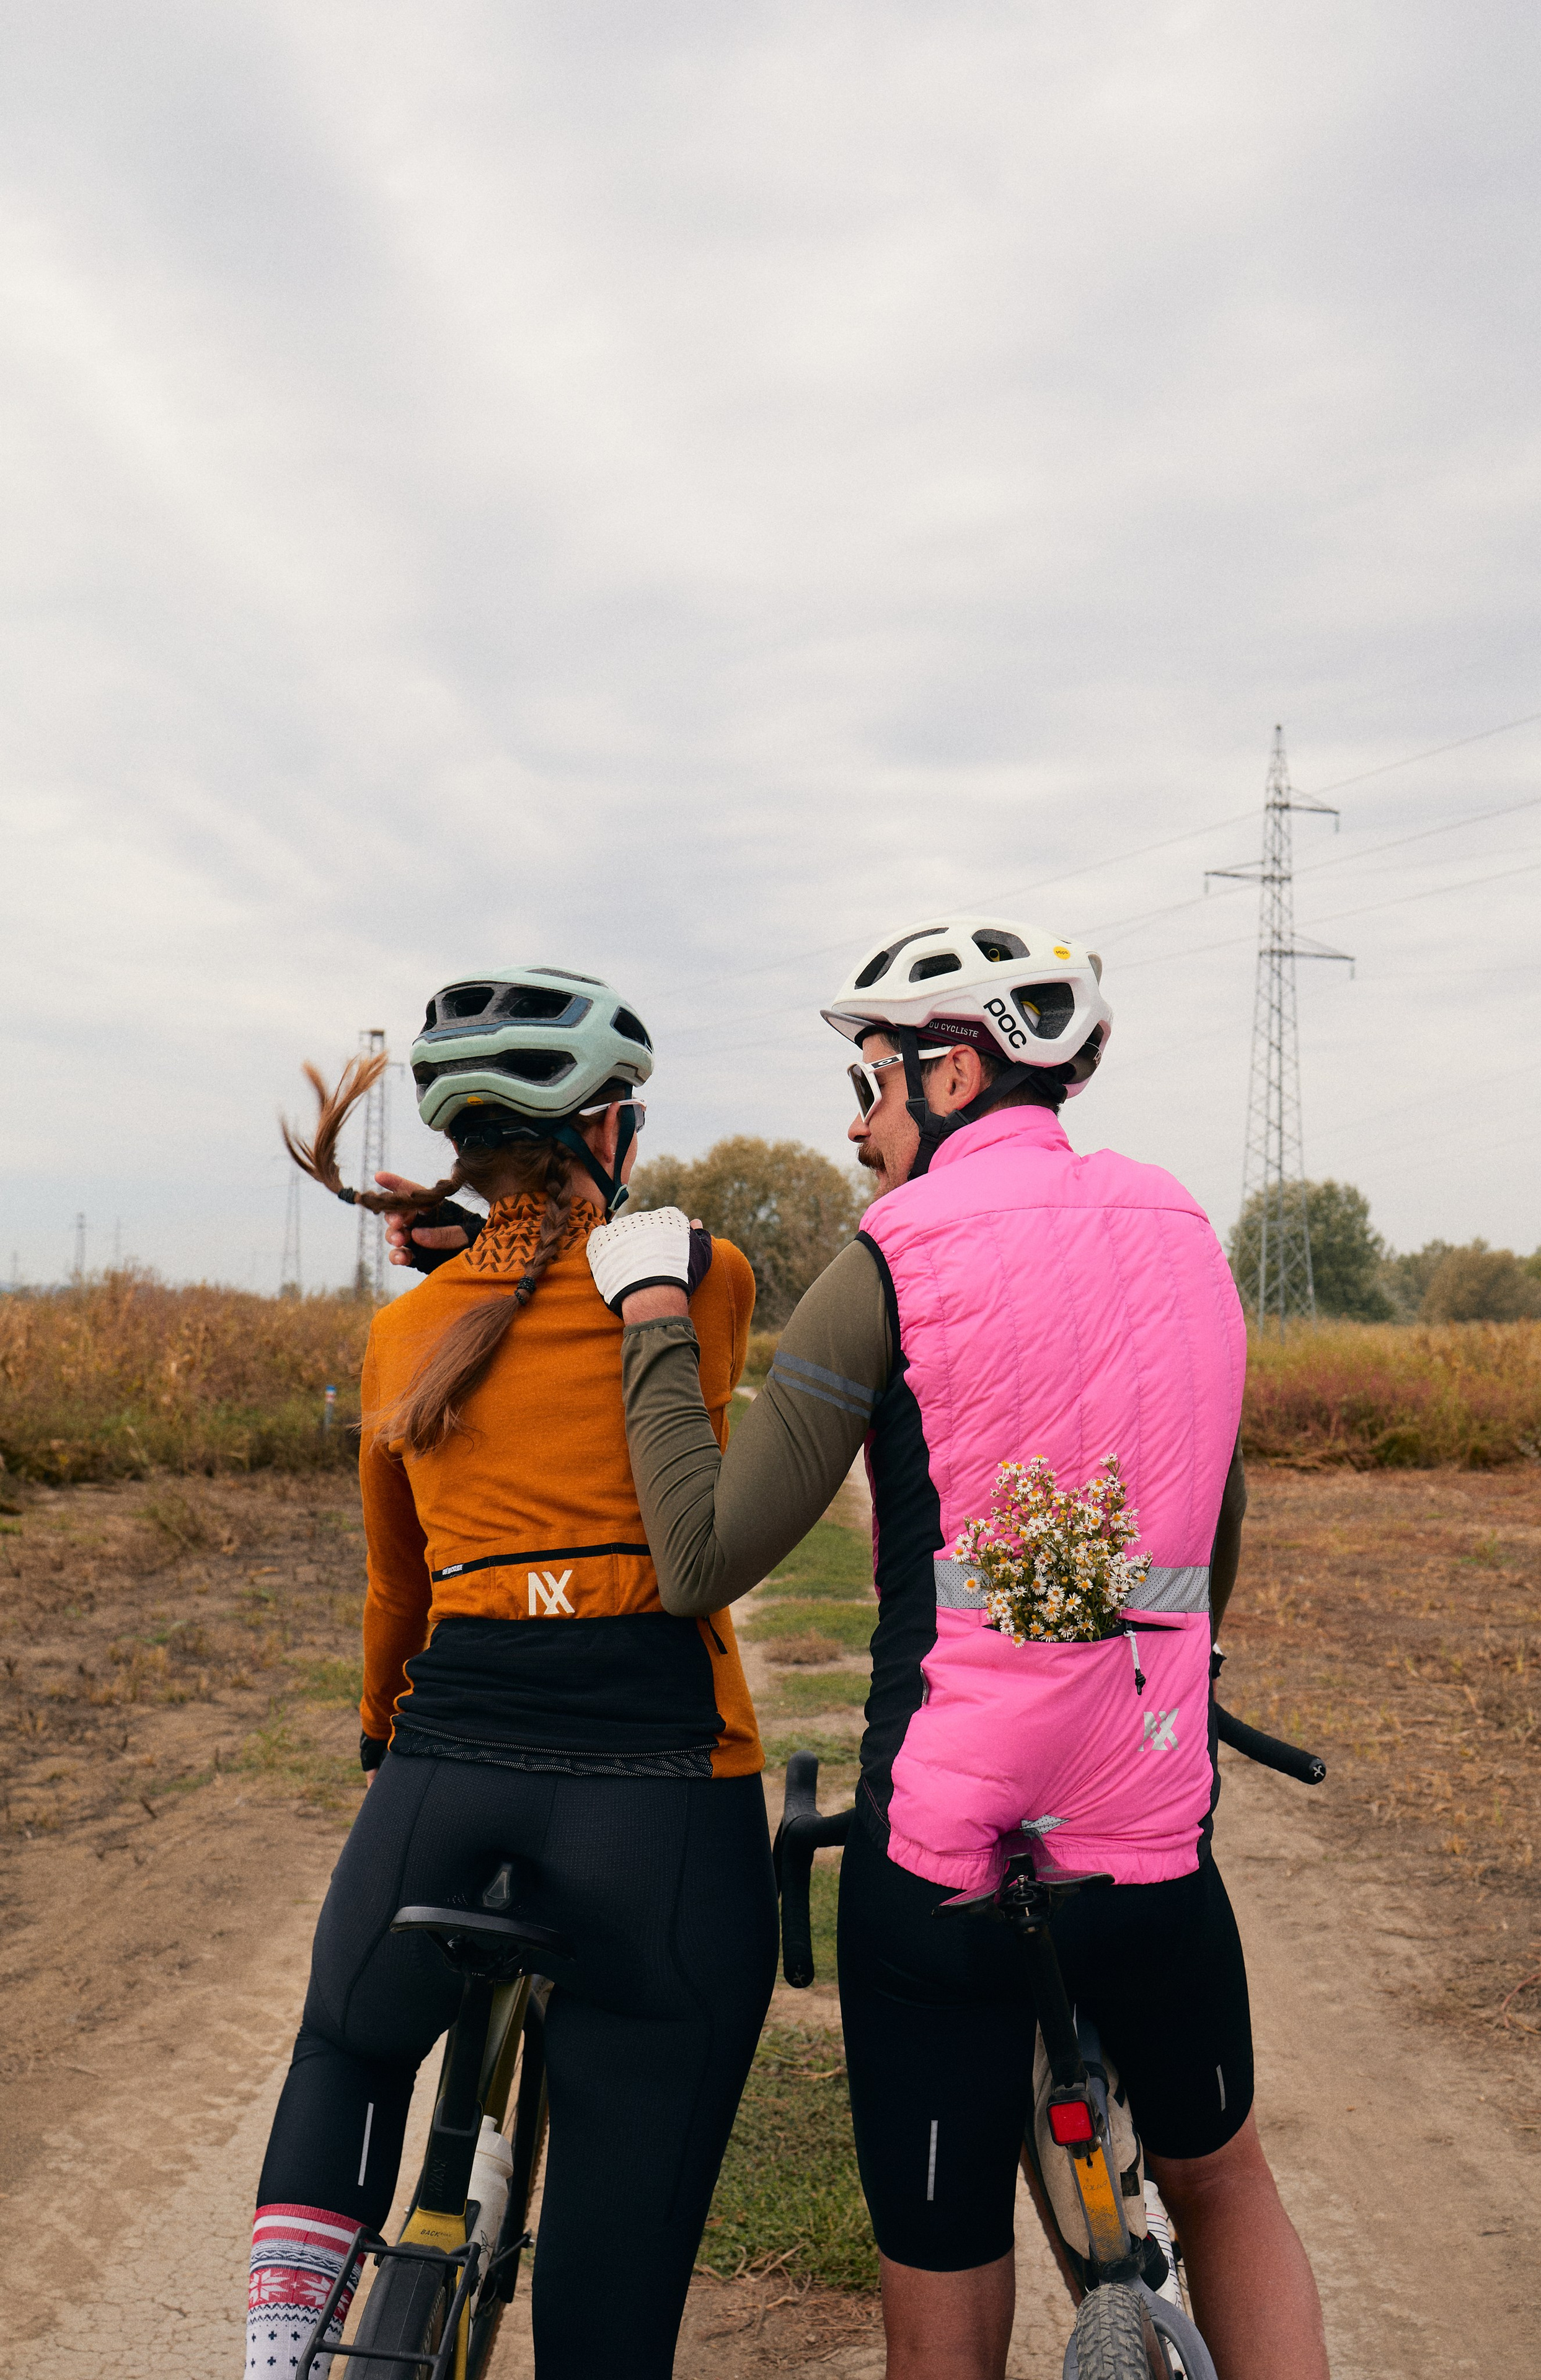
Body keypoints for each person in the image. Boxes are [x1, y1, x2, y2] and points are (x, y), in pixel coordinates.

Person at [589, 915, 1329, 2380]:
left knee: (937, 2251)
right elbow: (1208, 1509)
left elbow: (700, 1556)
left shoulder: (887, 1259)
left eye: (868, 1081)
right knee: (1225, 2179)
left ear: (953, 1070)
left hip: (942, 1860)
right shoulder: (1185, 1233)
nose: (856, 1126)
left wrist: (653, 1313)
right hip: (1147, 1836)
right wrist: (1187, 1678)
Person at [245, 967, 772, 2380]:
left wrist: (379, 1737)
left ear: (460, 1138)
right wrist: (494, 1234)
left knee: (348, 2051)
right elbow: (596, 1297)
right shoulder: (708, 1277)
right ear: (606, 1131)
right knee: (625, 2213)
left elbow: (394, 1589)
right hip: (659, 1794)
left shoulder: (404, 1333)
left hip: (450, 1771)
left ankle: (279, 2350)